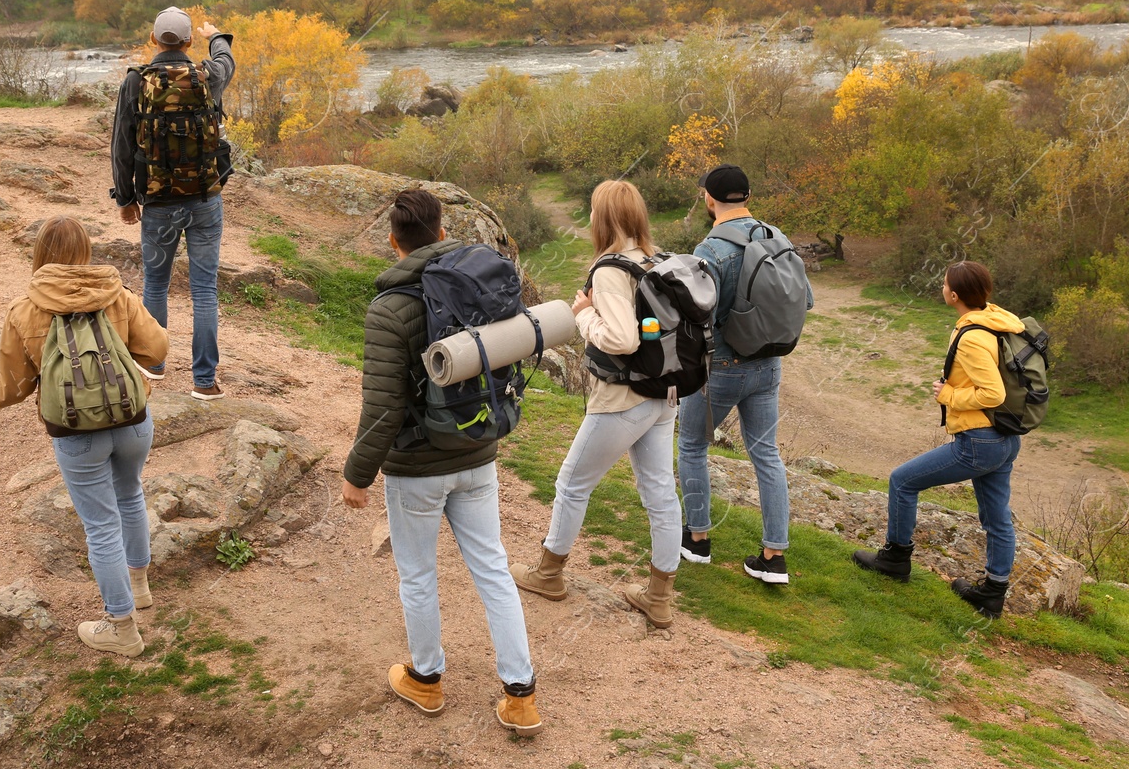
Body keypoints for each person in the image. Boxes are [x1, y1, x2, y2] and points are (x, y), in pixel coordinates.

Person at [340, 189, 541, 737]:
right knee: (493, 568)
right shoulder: (473, 284)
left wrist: (357, 475)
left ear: (393, 240)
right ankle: (520, 695)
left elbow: (382, 407)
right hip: (478, 453)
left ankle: (426, 681)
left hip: (417, 469)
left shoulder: (390, 307)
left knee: (419, 576)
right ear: (441, 228)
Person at [0, 217, 169, 655]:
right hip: (133, 420)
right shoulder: (118, 294)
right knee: (130, 495)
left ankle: (122, 628)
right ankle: (140, 588)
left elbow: (11, 390)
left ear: (39, 254)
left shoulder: (25, 309)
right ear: (85, 252)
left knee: (100, 526)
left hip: (77, 434)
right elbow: (157, 350)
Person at [512, 179, 683, 628]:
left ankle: (549, 574)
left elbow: (624, 339)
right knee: (660, 492)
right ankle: (659, 597)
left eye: (592, 211)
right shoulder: (658, 259)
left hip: (624, 398)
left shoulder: (610, 270)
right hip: (665, 394)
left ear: (602, 218)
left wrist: (584, 312)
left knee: (572, 482)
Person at [853, 260, 1024, 618]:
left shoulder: (973, 337)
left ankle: (895, 559)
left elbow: (992, 393)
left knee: (902, 481)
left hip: (979, 441)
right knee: (996, 518)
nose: (942, 288)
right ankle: (992, 595)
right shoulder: (996, 321)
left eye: (945, 284)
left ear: (955, 294)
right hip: (1006, 439)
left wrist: (948, 395)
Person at [675, 165, 810, 584]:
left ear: (708, 199)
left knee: (693, 446)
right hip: (769, 365)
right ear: (748, 195)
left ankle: (697, 540)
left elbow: (700, 317)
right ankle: (774, 556)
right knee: (766, 454)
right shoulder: (776, 237)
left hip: (722, 368)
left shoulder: (709, 250)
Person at [110, 6, 235, 402]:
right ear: (188, 42)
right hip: (205, 200)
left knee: (156, 285)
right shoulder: (206, 76)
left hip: (159, 202)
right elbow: (226, 62)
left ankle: (152, 367)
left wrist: (126, 199)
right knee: (204, 290)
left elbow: (122, 147)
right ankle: (204, 381)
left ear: (153, 40)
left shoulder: (136, 82)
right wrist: (216, 35)